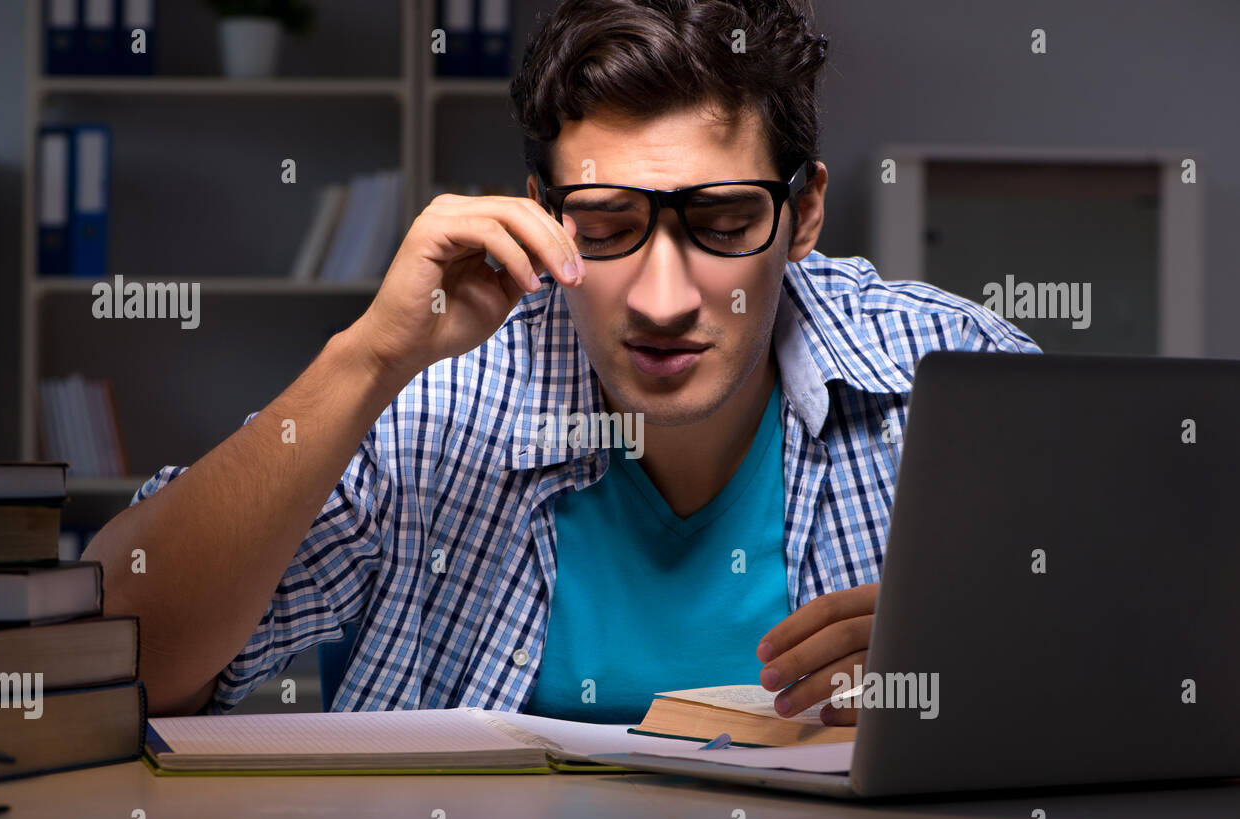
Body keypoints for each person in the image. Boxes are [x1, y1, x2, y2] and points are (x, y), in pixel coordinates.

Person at [82, 0, 1041, 721]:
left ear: (805, 214)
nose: (665, 300)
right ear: (543, 216)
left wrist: (970, 678)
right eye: (608, 226)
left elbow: (1158, 673)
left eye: (721, 223)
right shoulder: (427, 401)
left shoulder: (959, 377)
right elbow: (113, 661)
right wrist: (368, 357)